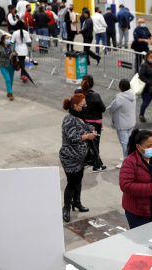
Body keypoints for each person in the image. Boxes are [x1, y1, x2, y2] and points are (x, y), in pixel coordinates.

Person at [60, 93, 98, 222]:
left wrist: (92, 130)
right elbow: (73, 138)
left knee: (79, 180)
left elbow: (86, 127)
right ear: (76, 106)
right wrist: (88, 137)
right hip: (70, 157)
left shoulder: (79, 117)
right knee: (71, 182)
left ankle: (77, 202)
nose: (85, 107)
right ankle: (66, 208)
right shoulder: (69, 119)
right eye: (83, 105)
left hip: (80, 158)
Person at [74, 75, 107, 173]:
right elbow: (103, 109)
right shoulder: (95, 96)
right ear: (92, 84)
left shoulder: (77, 93)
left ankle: (86, 161)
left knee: (85, 142)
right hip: (94, 122)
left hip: (82, 121)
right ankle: (97, 165)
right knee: (95, 143)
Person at [107, 79, 137, 169]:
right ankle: (129, 157)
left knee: (124, 143)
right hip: (130, 122)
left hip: (122, 124)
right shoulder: (132, 95)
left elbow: (111, 108)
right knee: (129, 142)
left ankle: (126, 160)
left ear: (119, 87)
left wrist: (108, 109)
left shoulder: (119, 98)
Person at [0, 35, 17, 101]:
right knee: (8, 79)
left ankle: (9, 91)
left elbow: (16, 53)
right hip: (3, 66)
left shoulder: (12, 46)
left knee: (11, 80)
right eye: (7, 38)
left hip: (11, 65)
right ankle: (10, 93)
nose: (8, 39)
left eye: (9, 38)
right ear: (3, 40)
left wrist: (15, 53)